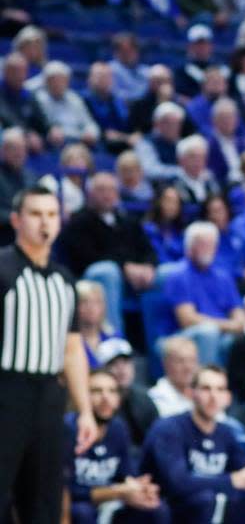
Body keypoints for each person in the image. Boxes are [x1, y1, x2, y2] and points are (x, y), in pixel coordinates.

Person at [0, 186, 97, 523]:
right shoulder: (2, 268)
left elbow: (72, 348)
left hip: (48, 398)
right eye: (36, 214)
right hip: (6, 391)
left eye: (52, 214)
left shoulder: (64, 280)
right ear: (16, 220)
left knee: (44, 499)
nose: (45, 222)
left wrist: (85, 409)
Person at [140, 366, 245, 524]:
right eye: (206, 389)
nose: (213, 397)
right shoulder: (168, 429)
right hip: (168, 508)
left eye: (220, 389)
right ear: (190, 393)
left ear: (228, 397)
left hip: (207, 504)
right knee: (203, 501)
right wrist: (234, 480)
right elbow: (178, 483)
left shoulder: (226, 432)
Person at [58, 172, 158, 335]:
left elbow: (148, 250)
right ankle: (112, 340)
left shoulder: (128, 221)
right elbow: (87, 258)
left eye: (112, 190)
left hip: (134, 280)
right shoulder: (79, 221)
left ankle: (162, 345)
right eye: (101, 190)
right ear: (90, 194)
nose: (107, 195)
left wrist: (148, 266)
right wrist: (124, 267)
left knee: (163, 275)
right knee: (107, 271)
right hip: (92, 278)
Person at [65, 369, 170, 524]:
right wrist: (117, 492)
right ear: (81, 397)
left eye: (112, 391)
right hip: (79, 504)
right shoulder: (66, 428)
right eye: (96, 391)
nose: (105, 398)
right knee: (82, 512)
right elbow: (65, 490)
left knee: (156, 508)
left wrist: (140, 487)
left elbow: (126, 474)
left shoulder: (118, 428)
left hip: (111, 500)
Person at [163, 222, 245, 366]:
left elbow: (239, 316)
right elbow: (187, 320)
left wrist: (233, 325)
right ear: (189, 247)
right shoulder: (178, 274)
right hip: (183, 335)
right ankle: (204, 383)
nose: (209, 249)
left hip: (219, 332)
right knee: (209, 332)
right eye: (203, 244)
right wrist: (228, 325)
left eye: (212, 244)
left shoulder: (223, 276)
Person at [96, 338, 160, 447]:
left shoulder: (143, 398)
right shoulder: (97, 402)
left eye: (126, 362)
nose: (122, 369)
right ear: (102, 369)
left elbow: (157, 438)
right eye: (113, 364)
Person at [148, 336, 199, 418]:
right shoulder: (154, 399)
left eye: (192, 360)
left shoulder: (204, 394)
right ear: (165, 364)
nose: (188, 367)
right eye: (181, 361)